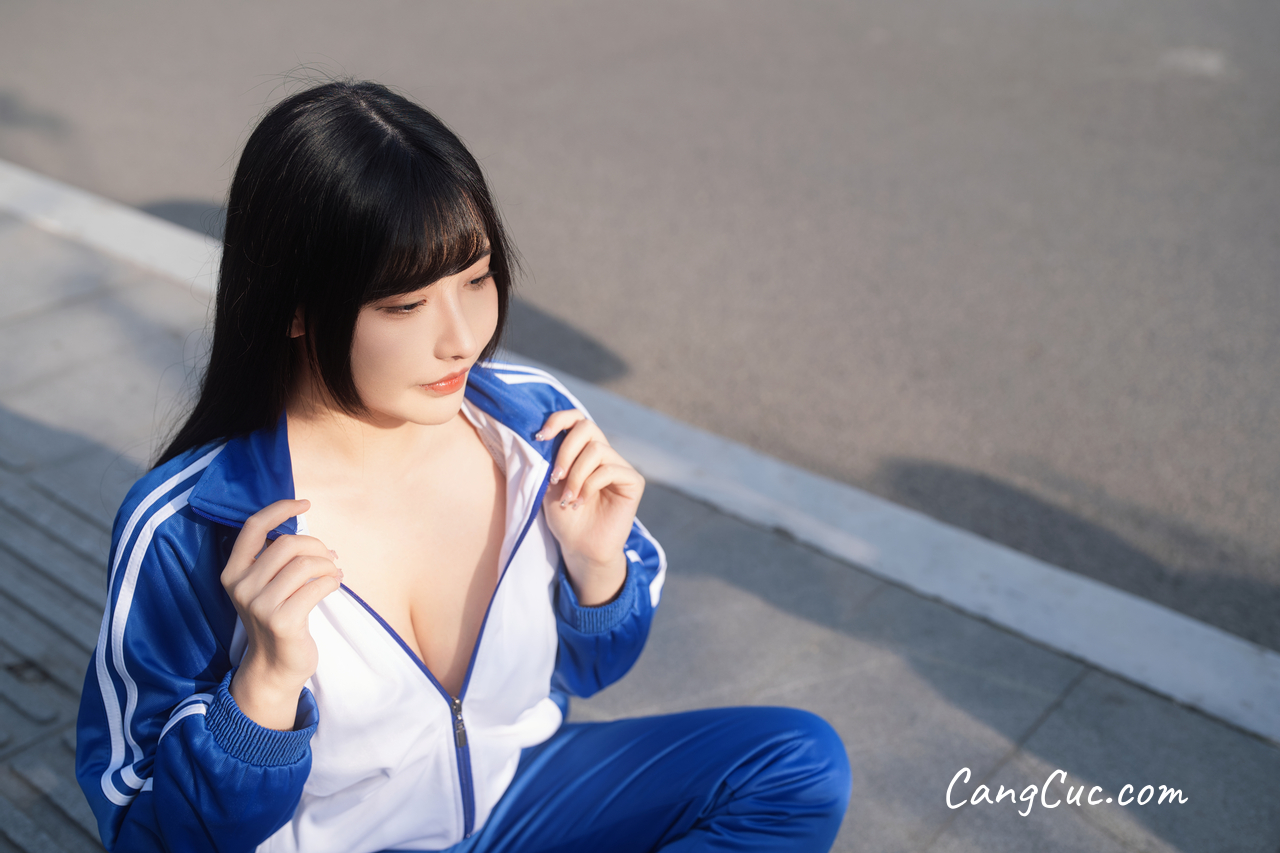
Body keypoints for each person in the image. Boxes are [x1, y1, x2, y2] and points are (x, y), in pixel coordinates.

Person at [75, 80, 851, 852]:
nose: (463, 339)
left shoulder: (531, 423)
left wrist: (597, 570)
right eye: (405, 305)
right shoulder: (190, 526)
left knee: (796, 766)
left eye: (477, 279)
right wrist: (264, 691)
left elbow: (590, 671)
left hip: (517, 796)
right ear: (295, 308)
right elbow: (151, 834)